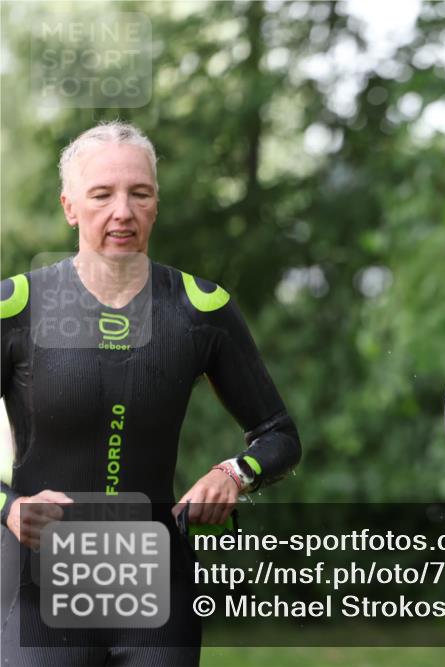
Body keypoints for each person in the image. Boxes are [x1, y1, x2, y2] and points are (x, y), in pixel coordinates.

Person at [0, 121, 301, 665]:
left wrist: (235, 473)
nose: (123, 211)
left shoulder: (198, 308)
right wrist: (10, 508)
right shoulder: (17, 307)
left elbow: (278, 436)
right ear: (70, 206)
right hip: (36, 589)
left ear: (156, 204)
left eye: (139, 193)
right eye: (102, 194)